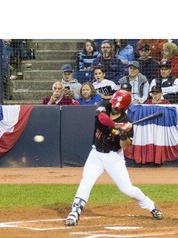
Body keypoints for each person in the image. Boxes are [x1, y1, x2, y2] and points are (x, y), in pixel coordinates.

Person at [65, 90, 164, 226]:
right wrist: (117, 126)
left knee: (127, 189)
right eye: (114, 103)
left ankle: (151, 206)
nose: (114, 106)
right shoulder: (104, 105)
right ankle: (75, 211)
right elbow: (102, 119)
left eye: (118, 105)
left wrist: (124, 133)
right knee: (87, 180)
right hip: (96, 154)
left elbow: (125, 146)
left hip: (113, 157)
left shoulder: (127, 122)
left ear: (124, 107)